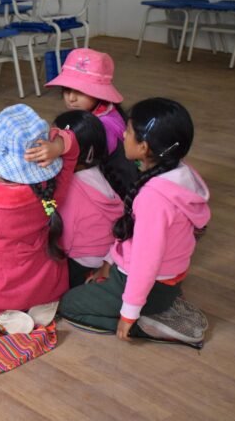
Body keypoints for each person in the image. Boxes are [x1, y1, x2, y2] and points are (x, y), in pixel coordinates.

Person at [59, 98, 210, 345]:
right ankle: (155, 306)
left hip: (146, 284)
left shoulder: (154, 198)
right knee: (88, 288)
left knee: (69, 305)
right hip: (164, 280)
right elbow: (133, 236)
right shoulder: (180, 174)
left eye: (127, 132)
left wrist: (129, 313)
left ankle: (145, 323)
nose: (122, 136)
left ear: (144, 147)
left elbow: (145, 261)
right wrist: (109, 261)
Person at [0, 104, 79, 334]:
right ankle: (42, 304)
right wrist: (58, 146)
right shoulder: (51, 188)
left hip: (1, 292)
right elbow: (72, 149)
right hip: (47, 285)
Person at [46, 48, 138, 197]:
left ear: (99, 93)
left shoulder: (102, 126)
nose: (71, 98)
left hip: (112, 191)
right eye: (67, 90)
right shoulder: (108, 110)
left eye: (80, 91)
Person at [53, 110, 124, 287]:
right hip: (107, 256)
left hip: (83, 262)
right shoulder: (97, 172)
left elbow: (64, 242)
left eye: (57, 144)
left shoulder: (72, 184)